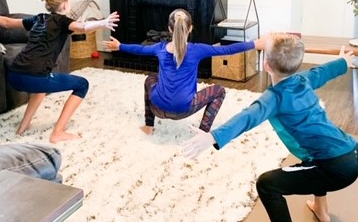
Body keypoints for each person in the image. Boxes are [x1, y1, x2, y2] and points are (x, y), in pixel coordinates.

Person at [182, 33, 358, 222]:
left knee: (267, 184)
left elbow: (248, 116)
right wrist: (342, 62)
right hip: (356, 154)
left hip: (337, 167)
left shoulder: (274, 97)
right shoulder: (303, 80)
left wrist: (213, 136)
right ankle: (321, 208)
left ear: (266, 65)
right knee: (311, 161)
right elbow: (322, 72)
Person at [0, 0, 119, 143]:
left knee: (40, 89)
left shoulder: (39, 18)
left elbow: (7, 23)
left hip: (14, 74)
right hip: (34, 77)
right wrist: (103, 22)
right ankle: (58, 132)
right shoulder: (63, 21)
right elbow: (83, 27)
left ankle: (23, 127)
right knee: (82, 84)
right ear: (64, 4)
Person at [102, 8, 265, 135]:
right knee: (219, 91)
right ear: (191, 28)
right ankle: (203, 132)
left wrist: (119, 46)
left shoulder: (159, 48)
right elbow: (228, 49)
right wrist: (256, 43)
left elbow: (140, 49)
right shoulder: (197, 50)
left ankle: (149, 126)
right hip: (183, 110)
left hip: (157, 107)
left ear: (169, 29)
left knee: (150, 79)